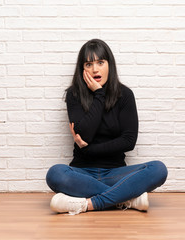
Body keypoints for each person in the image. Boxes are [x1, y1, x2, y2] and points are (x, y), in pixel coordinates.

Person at [46, 39, 168, 215]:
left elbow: (128, 141)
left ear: (109, 65)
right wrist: (99, 94)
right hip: (82, 173)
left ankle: (89, 203)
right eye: (89, 64)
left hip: (116, 173)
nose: (95, 69)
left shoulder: (125, 95)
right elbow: (84, 133)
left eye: (100, 62)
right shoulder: (74, 95)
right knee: (55, 173)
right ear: (82, 69)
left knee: (158, 169)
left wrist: (89, 150)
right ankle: (125, 198)